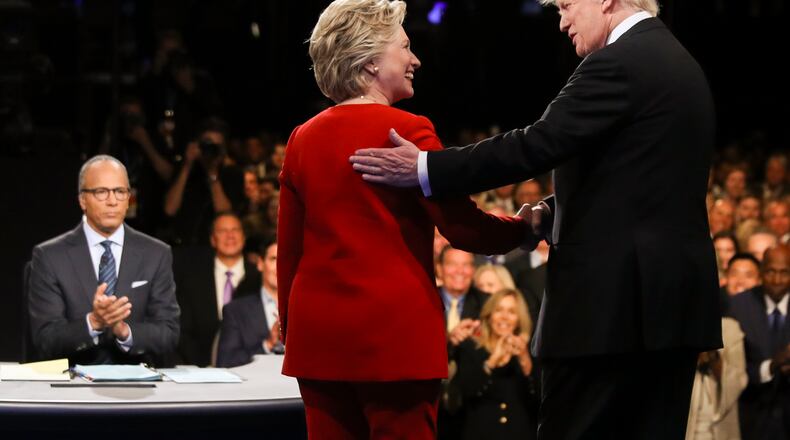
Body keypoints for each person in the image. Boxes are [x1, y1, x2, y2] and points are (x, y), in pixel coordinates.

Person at [349, 0, 722, 437]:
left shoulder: (619, 62)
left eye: (565, 6)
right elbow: (639, 180)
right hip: (667, 313)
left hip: (611, 316)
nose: (562, 21)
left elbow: (535, 144)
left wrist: (426, 167)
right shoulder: (677, 61)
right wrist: (555, 209)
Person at [278, 1, 532, 438]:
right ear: (372, 60)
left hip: (319, 341)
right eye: (406, 47)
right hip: (397, 339)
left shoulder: (301, 138)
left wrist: (296, 329)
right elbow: (461, 228)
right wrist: (525, 229)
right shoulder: (409, 131)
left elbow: (290, 254)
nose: (415, 60)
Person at [28, 155, 180, 366]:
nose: (112, 201)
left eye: (120, 191)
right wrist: (94, 322)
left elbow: (168, 333)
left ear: (128, 198)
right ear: (83, 200)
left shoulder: (156, 253)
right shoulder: (50, 256)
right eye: (101, 192)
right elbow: (45, 339)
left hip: (139, 385)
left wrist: (123, 330)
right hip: (73, 388)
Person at [174, 211, 261, 366]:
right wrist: (203, 366)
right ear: (213, 239)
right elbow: (183, 330)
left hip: (250, 367)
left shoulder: (259, 277)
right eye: (222, 231)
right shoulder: (192, 280)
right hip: (200, 368)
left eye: (235, 230)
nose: (230, 236)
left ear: (244, 237)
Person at [454, 289, 539, 440]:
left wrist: (525, 360)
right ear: (489, 315)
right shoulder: (470, 349)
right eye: (499, 310)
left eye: (512, 312)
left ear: (519, 319)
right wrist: (493, 360)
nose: (504, 317)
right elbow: (467, 391)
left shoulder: (530, 353)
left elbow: (538, 399)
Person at [727, 245, 790, 440]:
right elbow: (732, 368)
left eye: (784, 273)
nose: (777, 280)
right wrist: (771, 366)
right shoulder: (738, 306)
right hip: (752, 417)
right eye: (771, 272)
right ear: (761, 272)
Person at [216, 239, 281, 368]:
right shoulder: (236, 311)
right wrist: (268, 344)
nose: (280, 266)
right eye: (274, 259)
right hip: (255, 384)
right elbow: (226, 361)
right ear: (260, 264)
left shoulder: (307, 309)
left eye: (285, 260)